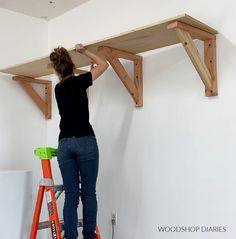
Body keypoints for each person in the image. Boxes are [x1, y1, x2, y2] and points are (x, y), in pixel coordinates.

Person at [49, 43, 109, 239]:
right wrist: (85, 52)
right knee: (89, 193)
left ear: (56, 70)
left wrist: (84, 73)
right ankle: (89, 236)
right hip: (85, 141)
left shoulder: (58, 89)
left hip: (65, 144)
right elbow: (104, 64)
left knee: (71, 196)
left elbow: (75, 89)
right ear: (73, 65)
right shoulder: (80, 82)